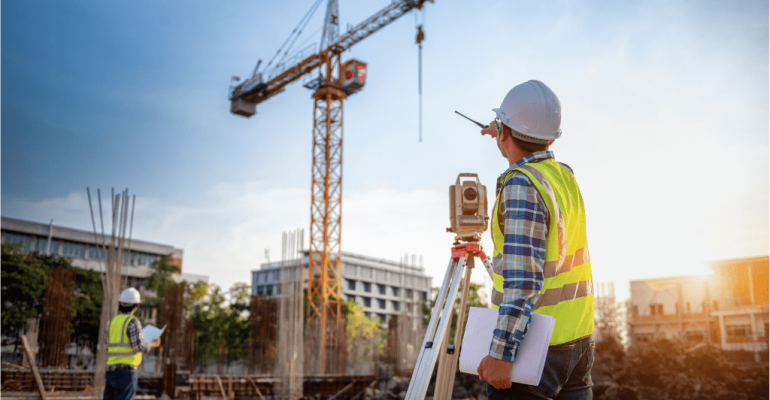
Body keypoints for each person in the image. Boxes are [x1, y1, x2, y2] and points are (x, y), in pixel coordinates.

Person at [476, 80, 595, 399]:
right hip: (577, 343)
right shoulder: (563, 176)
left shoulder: (521, 186)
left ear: (504, 132)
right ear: (552, 136)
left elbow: (524, 281)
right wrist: (502, 132)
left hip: (534, 352)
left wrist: (501, 355)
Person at [103, 288, 160, 400]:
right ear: (135, 306)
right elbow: (138, 346)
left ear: (120, 304)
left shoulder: (111, 323)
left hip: (110, 372)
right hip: (126, 373)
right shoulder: (133, 322)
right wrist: (153, 344)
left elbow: (107, 346)